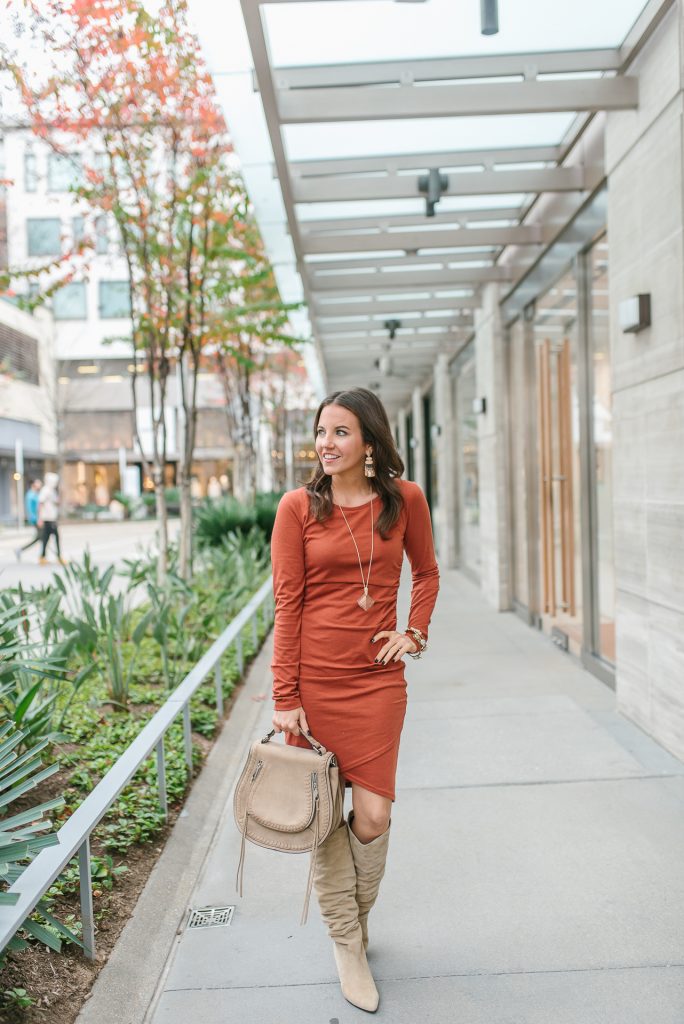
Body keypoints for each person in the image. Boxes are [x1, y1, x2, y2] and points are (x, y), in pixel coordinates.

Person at [270, 387, 440, 1013]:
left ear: (369, 441)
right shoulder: (298, 508)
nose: (326, 443)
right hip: (313, 686)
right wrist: (285, 695)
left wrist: (414, 632)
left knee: (372, 817)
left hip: (375, 685)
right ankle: (348, 943)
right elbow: (287, 605)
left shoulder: (405, 501)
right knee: (321, 818)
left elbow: (427, 572)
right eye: (321, 431)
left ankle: (354, 925)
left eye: (341, 432)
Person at [37, 472, 66, 565]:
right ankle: (57, 556)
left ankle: (43, 556)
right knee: (54, 537)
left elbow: (56, 502)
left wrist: (61, 493)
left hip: (51, 518)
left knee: (46, 538)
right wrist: (40, 518)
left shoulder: (52, 491)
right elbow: (40, 504)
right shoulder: (45, 490)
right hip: (47, 519)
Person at [15, 478, 42, 561]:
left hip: (38, 519)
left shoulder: (35, 494)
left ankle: (42, 555)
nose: (40, 484)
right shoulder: (30, 495)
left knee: (41, 536)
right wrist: (36, 519)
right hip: (36, 520)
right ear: (33, 484)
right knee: (41, 536)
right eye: (38, 482)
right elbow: (30, 509)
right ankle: (20, 550)